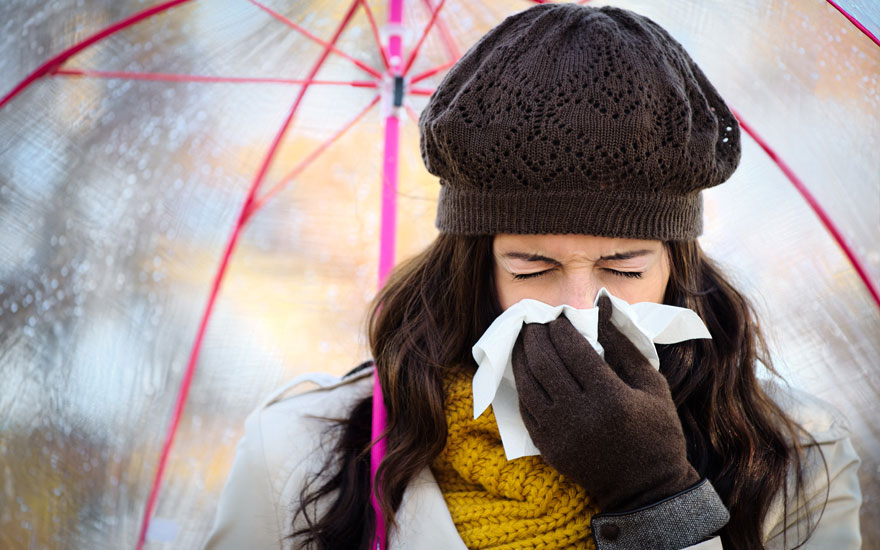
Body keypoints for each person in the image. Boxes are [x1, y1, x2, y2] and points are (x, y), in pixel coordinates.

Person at [205, 4, 862, 549]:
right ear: (472, 269)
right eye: (533, 266)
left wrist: (660, 497)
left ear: (675, 266)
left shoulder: (797, 461)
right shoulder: (300, 452)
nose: (578, 306)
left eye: (624, 267)